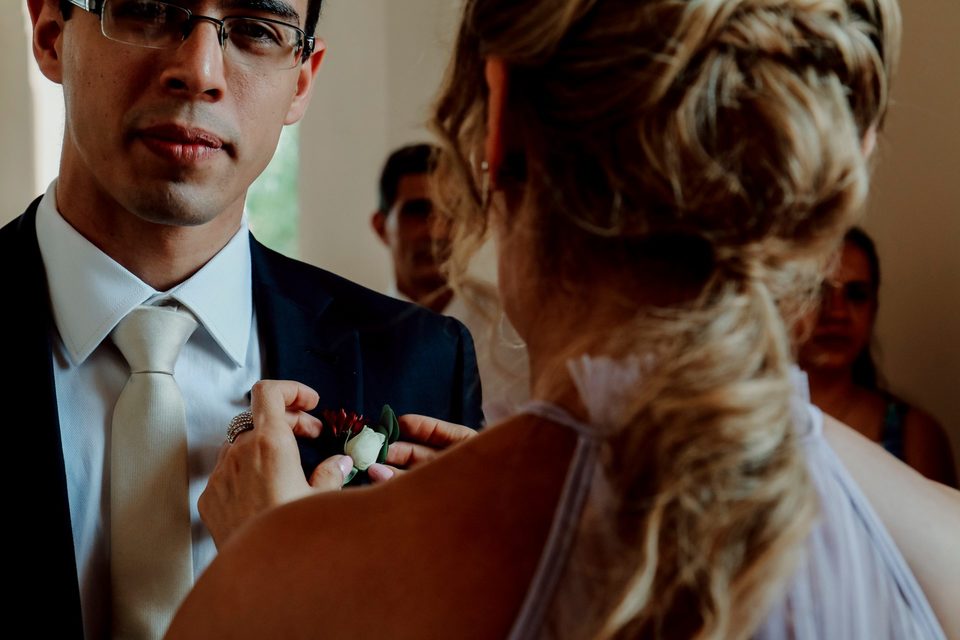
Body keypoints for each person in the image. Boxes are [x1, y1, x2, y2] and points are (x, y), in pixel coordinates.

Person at [168, 0, 960, 638]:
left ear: (501, 117)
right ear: (840, 154)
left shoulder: (288, 584)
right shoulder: (943, 553)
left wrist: (293, 572)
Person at [3, 0, 482, 637]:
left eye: (257, 30)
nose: (199, 71)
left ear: (301, 81)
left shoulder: (422, 363)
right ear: (50, 33)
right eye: (147, 8)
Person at [372, 142, 530, 422]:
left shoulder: (515, 329)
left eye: (451, 210)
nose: (436, 231)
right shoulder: (357, 332)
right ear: (382, 227)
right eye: (418, 211)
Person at [799, 227, 957, 486]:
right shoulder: (744, 422)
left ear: (873, 308)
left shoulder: (915, 436)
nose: (837, 312)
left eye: (856, 294)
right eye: (817, 291)